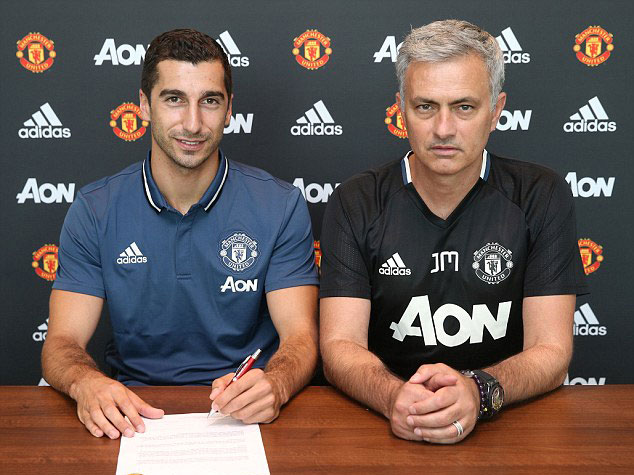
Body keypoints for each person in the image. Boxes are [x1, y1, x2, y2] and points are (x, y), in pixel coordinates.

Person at [319, 19, 587, 444]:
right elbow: (338, 345)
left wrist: (478, 390)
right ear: (401, 108)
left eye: (464, 107)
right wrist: (394, 397)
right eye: (426, 106)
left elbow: (552, 352)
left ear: (497, 111)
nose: (443, 129)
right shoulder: (356, 200)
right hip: (388, 421)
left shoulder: (541, 194)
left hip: (506, 422)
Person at [42, 29, 319, 440]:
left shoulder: (280, 204)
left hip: (244, 410)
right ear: (143, 105)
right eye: (174, 99)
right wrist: (87, 383)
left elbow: (300, 337)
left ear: (229, 110)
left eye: (210, 101)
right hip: (134, 411)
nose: (193, 123)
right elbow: (61, 341)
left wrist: (275, 382)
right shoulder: (95, 207)